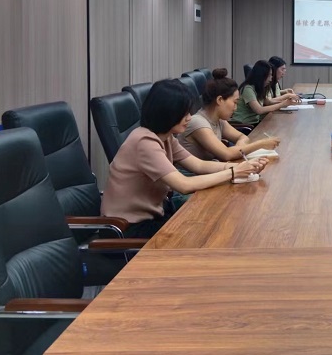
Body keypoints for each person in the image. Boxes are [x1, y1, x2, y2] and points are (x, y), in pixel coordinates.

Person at [101, 79, 268, 238]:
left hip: (155, 215)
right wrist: (233, 172)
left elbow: (199, 165)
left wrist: (242, 168)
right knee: (209, 231)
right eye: (184, 113)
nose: (189, 117)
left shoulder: (166, 137)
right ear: (168, 112)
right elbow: (184, 185)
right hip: (128, 228)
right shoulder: (144, 142)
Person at [178, 68, 281, 161]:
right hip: (197, 175)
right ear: (220, 100)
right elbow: (227, 154)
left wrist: (239, 148)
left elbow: (242, 136)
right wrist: (261, 144)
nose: (235, 108)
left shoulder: (219, 120)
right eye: (234, 102)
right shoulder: (198, 123)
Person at [232, 59, 294, 128]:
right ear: (261, 75)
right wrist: (282, 104)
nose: (271, 79)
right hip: (244, 125)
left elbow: (268, 102)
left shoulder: (260, 87)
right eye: (269, 75)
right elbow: (259, 110)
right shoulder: (248, 89)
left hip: (254, 123)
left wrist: (287, 102)